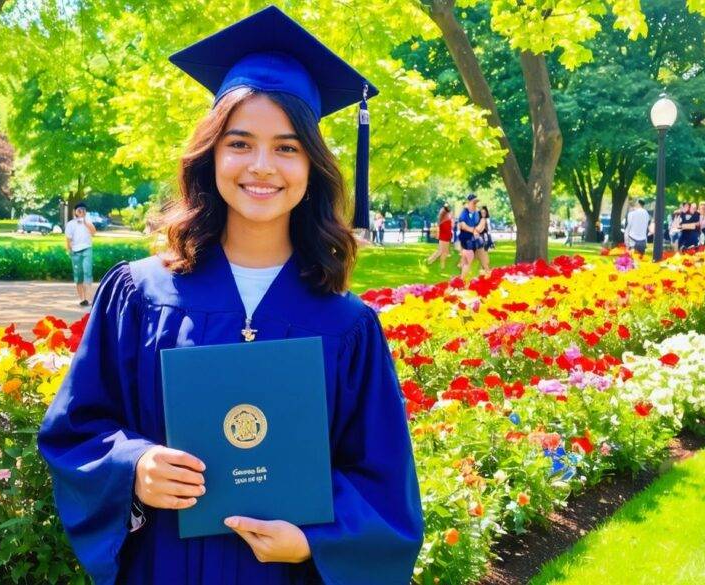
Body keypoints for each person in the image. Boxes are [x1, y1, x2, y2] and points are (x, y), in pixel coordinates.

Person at [37, 7, 423, 584]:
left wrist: (314, 542)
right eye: (240, 143)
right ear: (211, 155)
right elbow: (76, 431)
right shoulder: (139, 295)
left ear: (312, 168)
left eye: (288, 148)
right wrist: (134, 467)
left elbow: (384, 484)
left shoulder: (347, 327)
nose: (262, 167)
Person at [65, 201, 97, 307]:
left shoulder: (88, 222)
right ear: (75, 212)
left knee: (87, 273)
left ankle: (88, 299)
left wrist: (84, 221)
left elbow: (93, 232)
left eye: (83, 210)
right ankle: (82, 299)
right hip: (75, 251)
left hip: (87, 249)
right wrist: (70, 250)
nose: (81, 211)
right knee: (78, 276)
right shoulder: (70, 224)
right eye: (79, 210)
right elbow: (68, 240)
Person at [457, 194, 489, 279]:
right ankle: (461, 281)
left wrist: (479, 229)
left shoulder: (476, 214)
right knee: (468, 260)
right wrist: (474, 230)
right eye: (474, 202)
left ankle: (486, 274)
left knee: (482, 258)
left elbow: (479, 227)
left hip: (475, 240)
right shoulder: (464, 213)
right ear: (468, 203)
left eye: (476, 202)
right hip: (467, 240)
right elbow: (463, 226)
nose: (475, 204)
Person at [425, 203, 452, 269]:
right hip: (444, 236)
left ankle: (442, 266)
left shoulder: (447, 216)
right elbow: (439, 228)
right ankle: (429, 261)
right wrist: (437, 235)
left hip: (447, 236)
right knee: (440, 251)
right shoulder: (443, 216)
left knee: (444, 252)